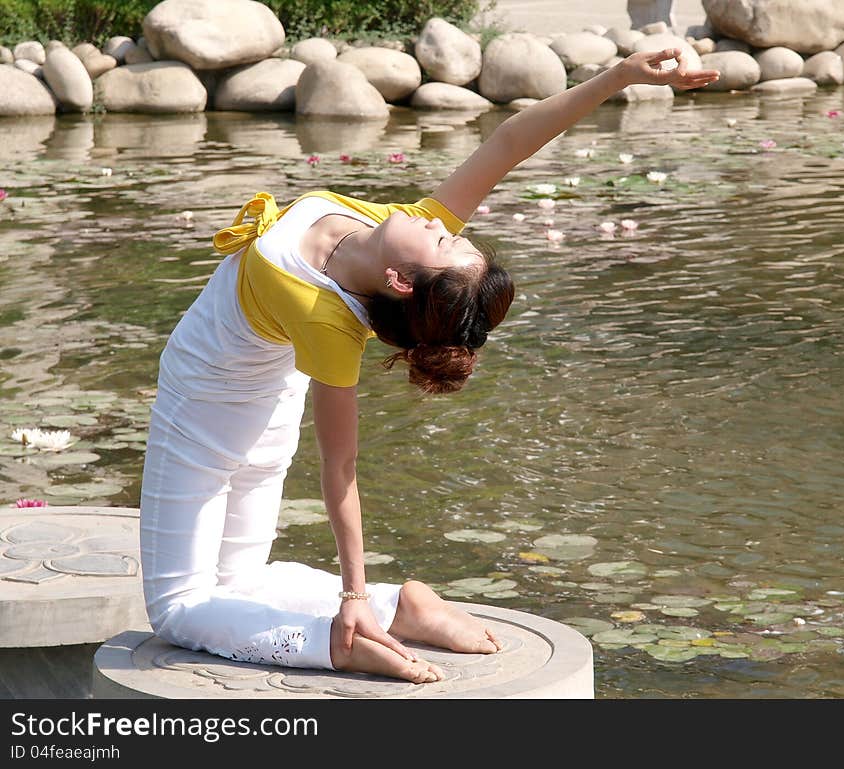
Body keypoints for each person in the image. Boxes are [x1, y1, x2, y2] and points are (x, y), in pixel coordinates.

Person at [139, 49, 719, 684]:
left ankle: (339, 639)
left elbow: (341, 468)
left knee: (178, 610)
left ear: (400, 280)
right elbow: (508, 142)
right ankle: (403, 606)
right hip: (267, 407)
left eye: (447, 242)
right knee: (242, 582)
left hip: (201, 411)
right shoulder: (402, 245)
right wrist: (619, 77)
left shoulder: (322, 311)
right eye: (457, 237)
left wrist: (352, 597)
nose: (446, 227)